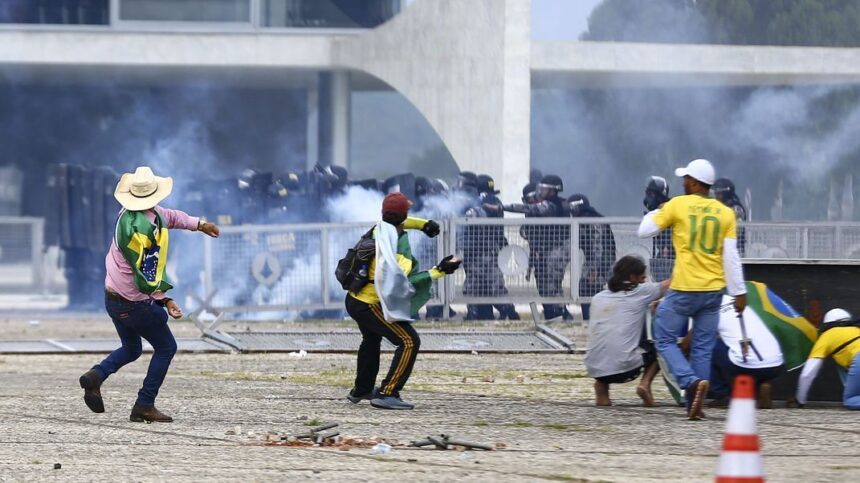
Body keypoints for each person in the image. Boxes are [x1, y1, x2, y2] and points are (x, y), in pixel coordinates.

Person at [78, 166, 220, 423]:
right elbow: (146, 275)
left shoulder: (134, 214)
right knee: (167, 347)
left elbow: (171, 217)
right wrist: (165, 300)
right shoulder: (138, 233)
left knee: (132, 348)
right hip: (133, 302)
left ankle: (96, 376)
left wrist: (199, 224)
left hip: (113, 298)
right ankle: (144, 404)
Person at [638, 158, 746, 420]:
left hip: (685, 288)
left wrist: (659, 209)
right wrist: (740, 292)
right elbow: (731, 257)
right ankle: (694, 404)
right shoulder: (725, 213)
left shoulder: (678, 205)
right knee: (702, 347)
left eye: (685, 178)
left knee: (663, 338)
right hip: (714, 291)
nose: (682, 181)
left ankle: (689, 383)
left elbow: (645, 231)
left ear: (695, 182)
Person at [345, 192, 460, 410]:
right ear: (402, 216)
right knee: (409, 341)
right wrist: (440, 271)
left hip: (354, 299)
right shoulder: (396, 249)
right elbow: (404, 283)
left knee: (371, 340)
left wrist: (424, 224)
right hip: (368, 304)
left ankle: (362, 389)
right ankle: (388, 392)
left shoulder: (380, 227)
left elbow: (400, 220)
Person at [586, 256, 669, 407]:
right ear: (633, 277)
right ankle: (645, 384)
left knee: (610, 339)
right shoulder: (640, 291)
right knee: (663, 346)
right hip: (625, 369)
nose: (645, 281)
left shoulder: (598, 297)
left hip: (594, 368)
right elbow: (672, 283)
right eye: (643, 278)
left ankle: (602, 388)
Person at [504, 174, 571, 320]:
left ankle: (560, 315)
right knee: (544, 286)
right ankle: (552, 314)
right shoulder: (545, 206)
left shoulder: (553, 205)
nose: (541, 192)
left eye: (545, 189)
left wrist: (502, 207)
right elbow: (527, 228)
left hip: (555, 251)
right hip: (542, 252)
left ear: (553, 190)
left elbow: (530, 210)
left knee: (551, 286)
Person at [709, 294, 785, 409]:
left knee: (706, 346)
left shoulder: (708, 309)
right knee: (735, 346)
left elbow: (693, 339)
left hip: (747, 366)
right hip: (776, 365)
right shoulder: (740, 301)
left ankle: (723, 394)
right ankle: (760, 387)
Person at [460, 174, 519, 320]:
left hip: (479, 250)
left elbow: (470, 217)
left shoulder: (480, 201)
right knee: (492, 286)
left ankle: (475, 314)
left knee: (476, 286)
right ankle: (507, 312)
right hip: (490, 248)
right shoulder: (494, 200)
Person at [795, 308, 860, 410]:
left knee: (850, 400)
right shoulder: (857, 330)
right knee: (840, 358)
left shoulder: (827, 335)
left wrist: (800, 400)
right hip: (855, 361)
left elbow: (807, 374)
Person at [569, 194, 616, 320]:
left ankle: (593, 321)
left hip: (601, 263)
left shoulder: (593, 220)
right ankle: (593, 320)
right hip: (597, 262)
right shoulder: (586, 219)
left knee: (589, 289)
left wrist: (595, 270)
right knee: (587, 290)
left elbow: (598, 245)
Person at [643, 176, 674, 282]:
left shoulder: (669, 210)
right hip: (662, 255)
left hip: (672, 256)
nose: (648, 198)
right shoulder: (657, 213)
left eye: (651, 195)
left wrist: (667, 248)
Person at [712, 178, 747, 257]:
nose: (716, 196)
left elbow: (736, 232)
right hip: (721, 251)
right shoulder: (720, 207)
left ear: (726, 194)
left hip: (734, 252)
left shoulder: (736, 209)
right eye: (716, 194)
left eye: (719, 194)